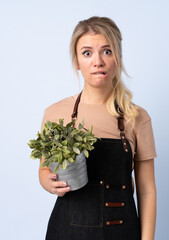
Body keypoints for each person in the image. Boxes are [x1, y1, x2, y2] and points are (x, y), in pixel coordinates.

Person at [38, 16, 157, 240]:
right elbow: (44, 170)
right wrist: (49, 183)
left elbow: (147, 190)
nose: (97, 61)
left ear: (118, 57)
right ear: (77, 61)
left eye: (107, 51)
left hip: (121, 233)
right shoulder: (55, 113)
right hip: (66, 233)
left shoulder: (137, 118)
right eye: (87, 53)